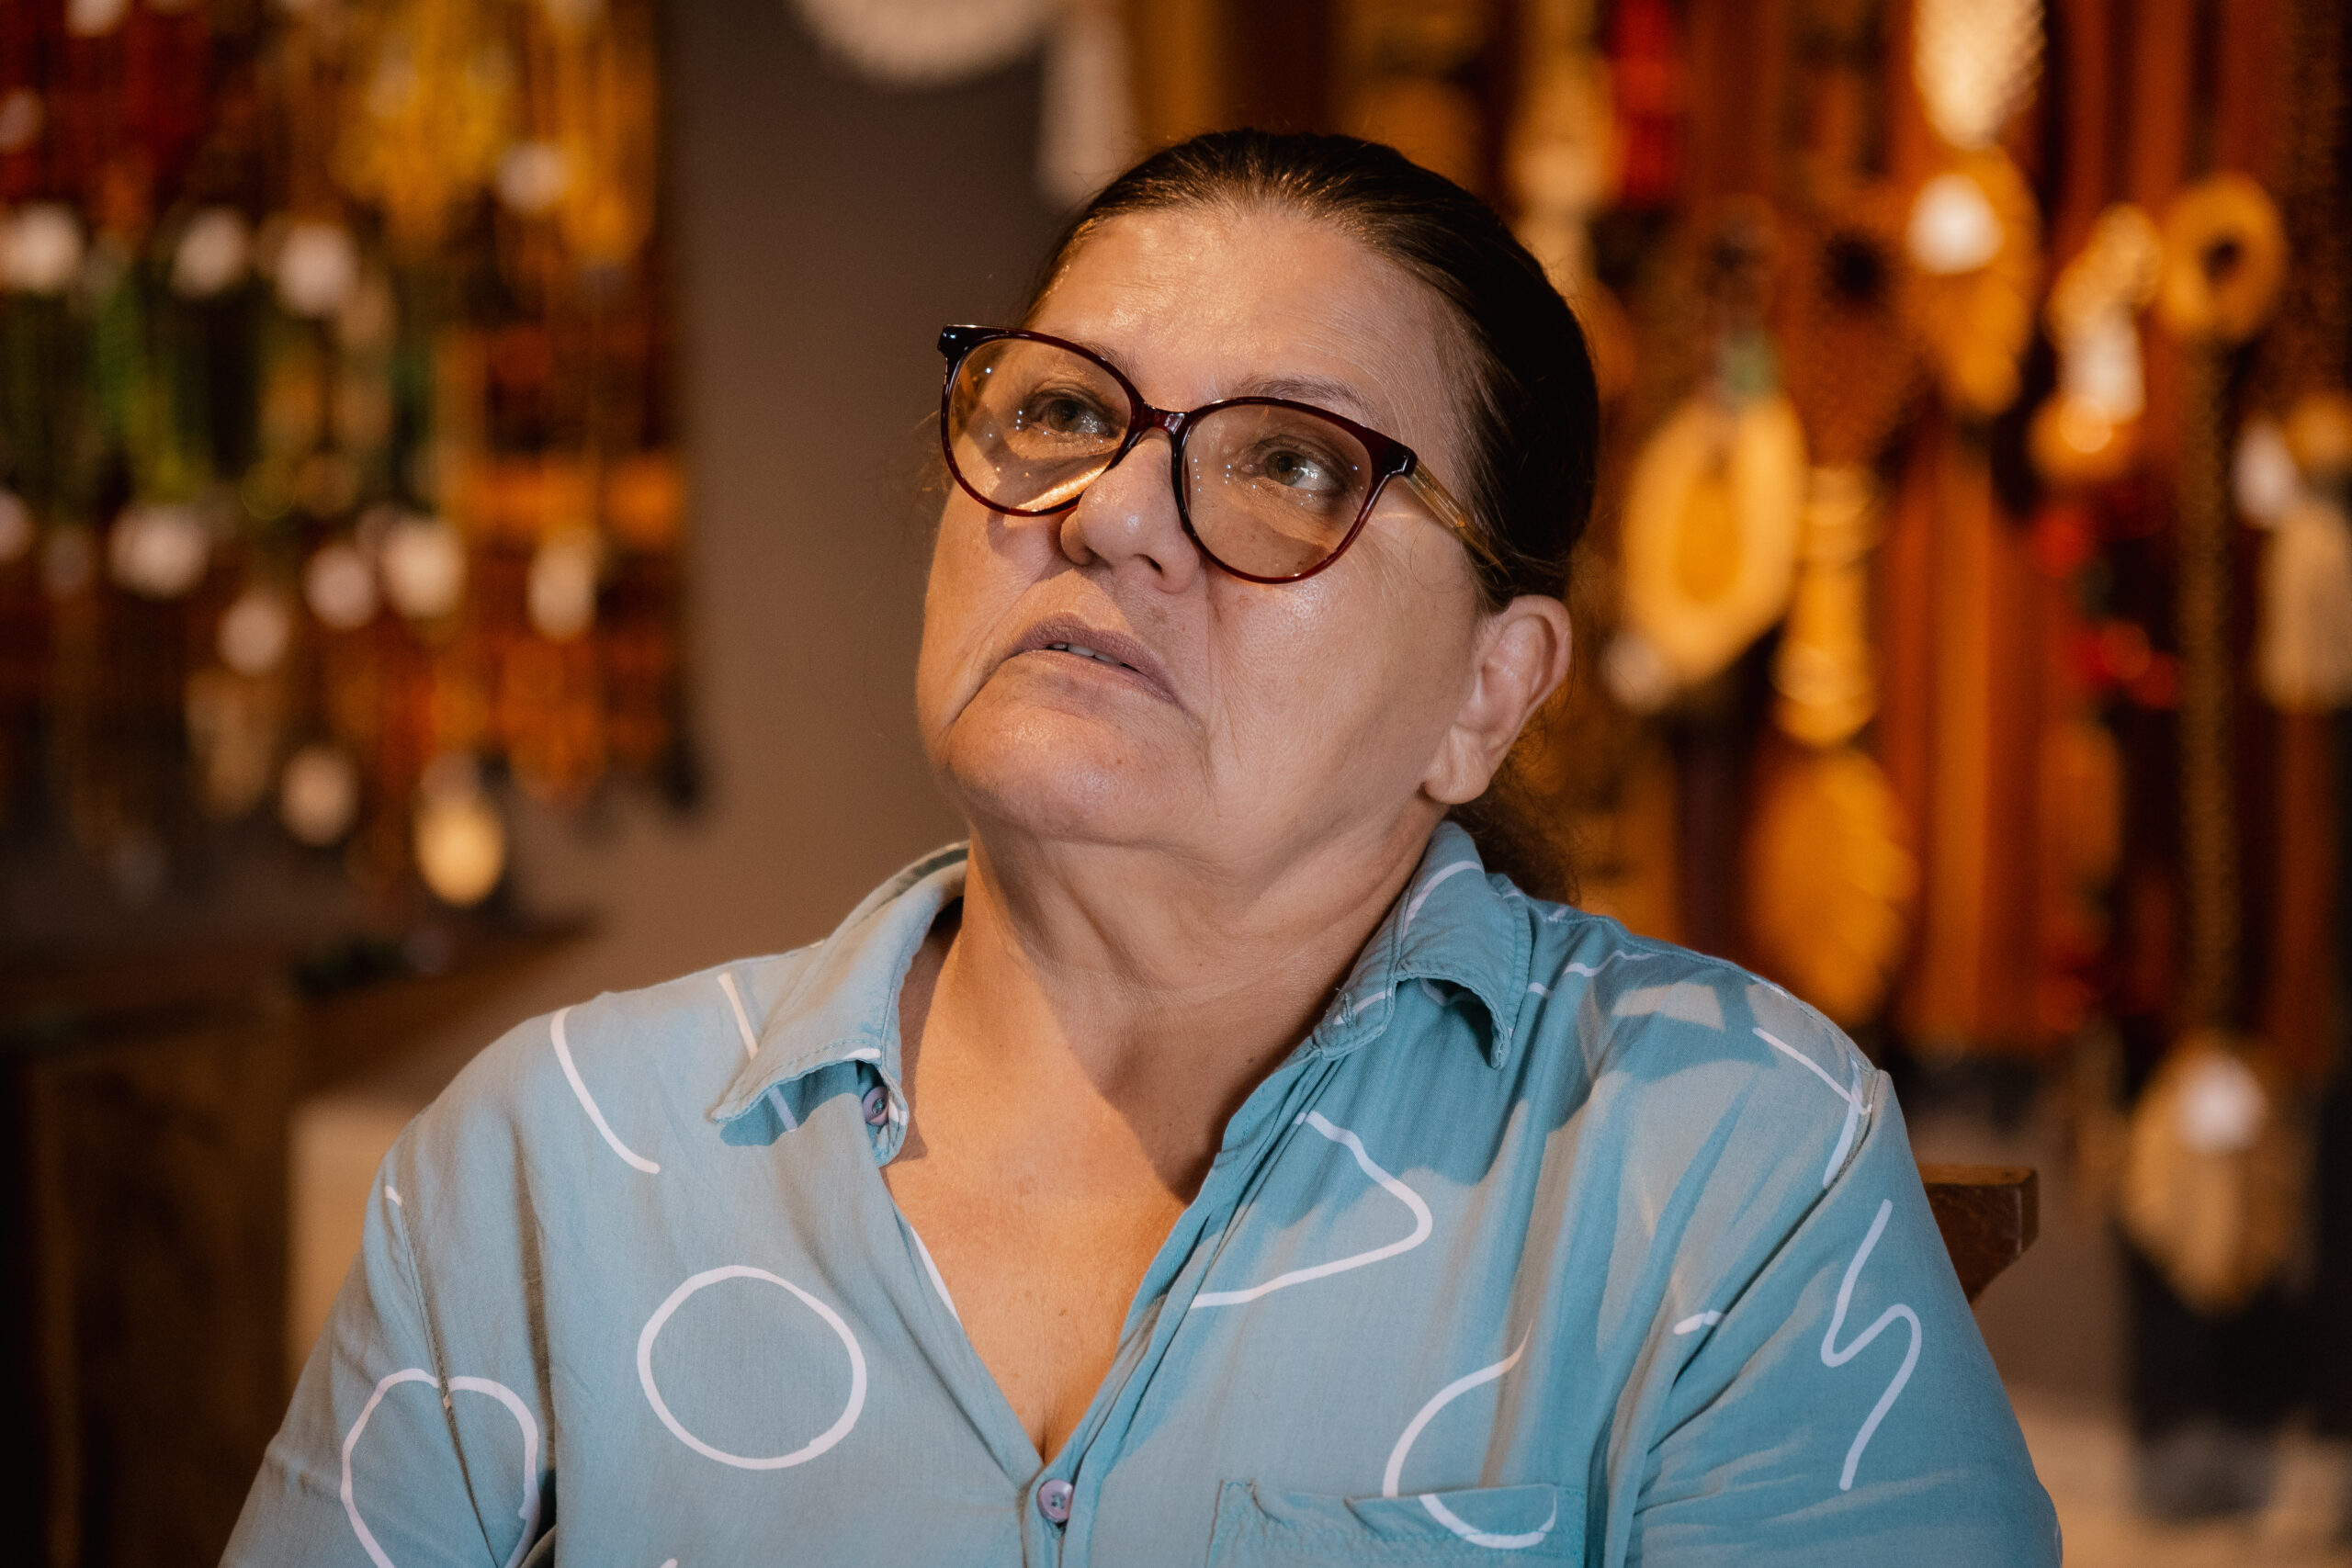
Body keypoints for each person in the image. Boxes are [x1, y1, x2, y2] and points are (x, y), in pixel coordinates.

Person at [225, 130, 2057, 1567]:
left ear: (1488, 692)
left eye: (1290, 464)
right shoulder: (552, 1161)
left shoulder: (1723, 1161)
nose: (1106, 514)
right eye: (1059, 411)